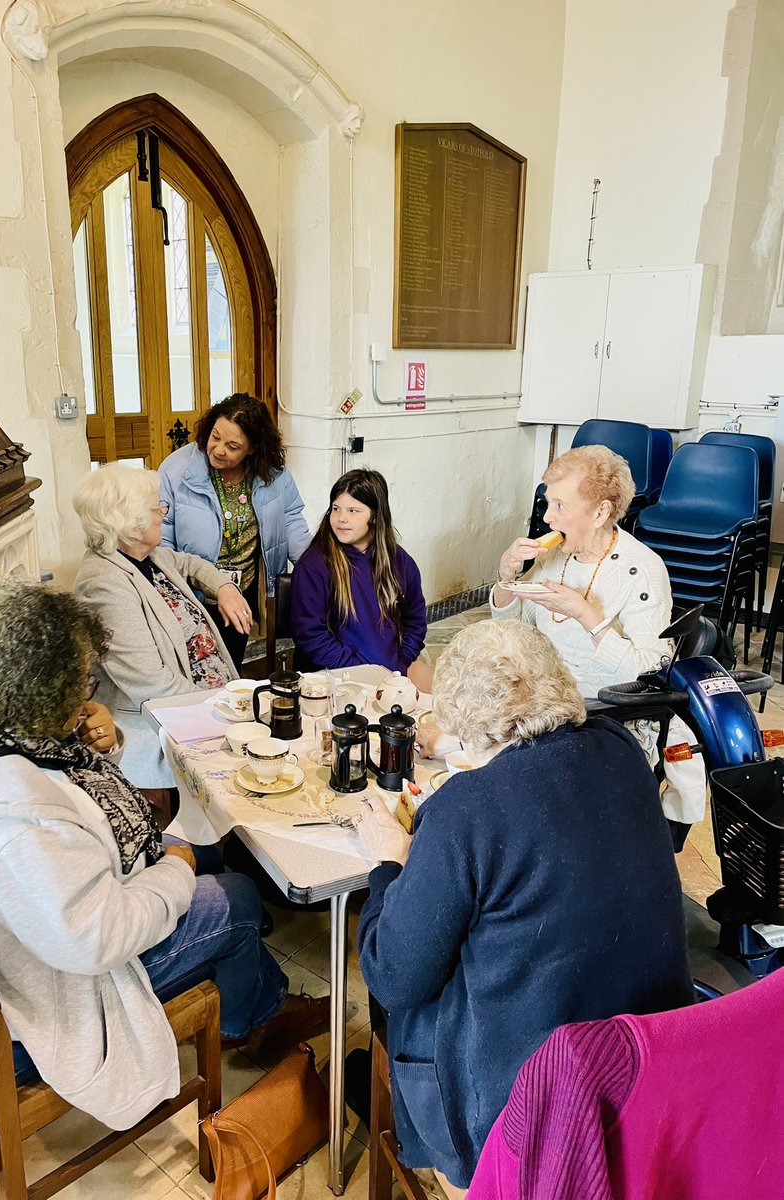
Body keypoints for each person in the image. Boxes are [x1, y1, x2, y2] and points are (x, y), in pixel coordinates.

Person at [0, 582, 327, 1130]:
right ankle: (253, 1019)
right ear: (36, 691)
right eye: (79, 683)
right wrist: (176, 869)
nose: (84, 693)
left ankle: (249, 980)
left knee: (207, 855)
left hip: (43, 919)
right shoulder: (15, 830)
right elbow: (98, 938)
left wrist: (104, 743)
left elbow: (74, 797)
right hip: (72, 978)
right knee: (236, 896)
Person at [354, 619, 693, 1194]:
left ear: (462, 721)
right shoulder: (622, 750)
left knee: (403, 980)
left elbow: (393, 976)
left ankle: (421, 1131)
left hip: (529, 1110)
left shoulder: (466, 809)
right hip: (643, 1059)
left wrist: (391, 863)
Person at [488, 443, 706, 850]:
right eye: (548, 504)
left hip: (607, 715)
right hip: (545, 703)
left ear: (601, 512)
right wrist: (506, 578)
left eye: (560, 506)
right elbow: (512, 628)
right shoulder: (557, 556)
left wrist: (587, 616)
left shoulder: (643, 571)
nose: (547, 518)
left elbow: (649, 672)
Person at [73, 463, 249, 794]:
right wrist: (228, 710)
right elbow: (152, 684)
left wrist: (224, 587)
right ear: (132, 522)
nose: (164, 517)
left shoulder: (148, 557)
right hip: (165, 728)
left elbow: (191, 563)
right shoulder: (103, 585)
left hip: (206, 705)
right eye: (158, 508)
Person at [159, 394, 311, 669]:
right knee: (193, 666)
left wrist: (317, 567)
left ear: (253, 448)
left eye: (232, 446)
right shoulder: (176, 470)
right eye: (215, 437)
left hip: (245, 588)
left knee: (230, 663)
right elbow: (163, 537)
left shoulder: (272, 473)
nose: (218, 450)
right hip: (194, 590)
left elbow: (291, 521)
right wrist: (171, 590)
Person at [290, 468, 428, 678]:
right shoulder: (313, 566)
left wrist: (402, 661)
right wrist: (364, 674)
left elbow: (415, 620)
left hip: (392, 672)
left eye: (353, 511)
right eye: (336, 509)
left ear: (375, 516)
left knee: (446, 691)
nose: (341, 518)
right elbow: (311, 636)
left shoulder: (399, 560)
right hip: (334, 677)